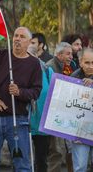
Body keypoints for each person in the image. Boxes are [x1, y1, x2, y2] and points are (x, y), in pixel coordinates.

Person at [0, 27, 42, 172]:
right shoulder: (0, 56)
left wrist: (20, 92)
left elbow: (36, 91)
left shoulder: (34, 64)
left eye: (22, 37)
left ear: (29, 42)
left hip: (18, 120)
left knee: (22, 166)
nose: (17, 39)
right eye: (15, 36)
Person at [46, 41, 74, 172]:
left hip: (69, 113)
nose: (71, 57)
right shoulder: (49, 67)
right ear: (59, 54)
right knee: (56, 151)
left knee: (70, 151)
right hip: (54, 115)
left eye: (72, 54)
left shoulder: (70, 67)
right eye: (68, 54)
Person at [28, 41, 54, 172]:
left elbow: (54, 95)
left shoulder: (47, 71)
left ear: (36, 56)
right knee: (23, 160)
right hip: (24, 123)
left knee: (41, 159)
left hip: (42, 124)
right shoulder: (16, 72)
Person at [70, 48, 93, 172]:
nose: (90, 66)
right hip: (80, 131)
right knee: (80, 167)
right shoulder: (73, 78)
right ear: (80, 62)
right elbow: (68, 107)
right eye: (87, 62)